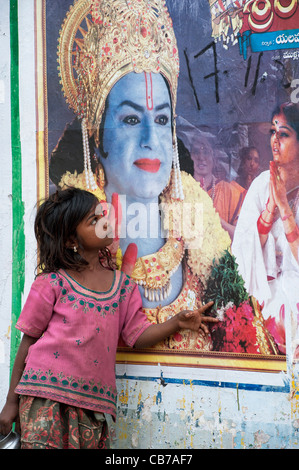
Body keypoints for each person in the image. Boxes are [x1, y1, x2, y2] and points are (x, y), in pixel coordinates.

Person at [49, 0, 231, 352]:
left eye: (162, 120)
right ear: (96, 135)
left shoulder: (202, 237)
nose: (151, 141)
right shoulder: (72, 245)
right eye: (131, 119)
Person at [0, 188, 216, 449]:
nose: (105, 221)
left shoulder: (123, 287)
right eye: (94, 220)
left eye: (101, 214)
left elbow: (137, 336)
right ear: (71, 241)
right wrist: (10, 403)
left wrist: (177, 322)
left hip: (93, 408)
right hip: (44, 399)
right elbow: (27, 344)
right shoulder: (52, 283)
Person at [232, 102, 299, 357]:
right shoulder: (261, 185)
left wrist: (284, 206)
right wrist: (270, 208)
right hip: (264, 300)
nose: (275, 140)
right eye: (273, 132)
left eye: (284, 134)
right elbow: (240, 252)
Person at [190, 133, 246, 240]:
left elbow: (242, 238)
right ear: (190, 156)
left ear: (214, 157)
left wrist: (215, 218)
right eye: (196, 152)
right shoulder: (180, 190)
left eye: (206, 152)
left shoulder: (230, 192)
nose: (201, 157)